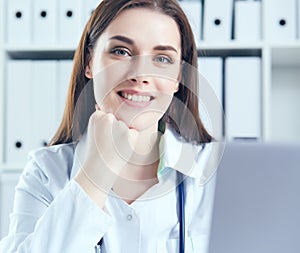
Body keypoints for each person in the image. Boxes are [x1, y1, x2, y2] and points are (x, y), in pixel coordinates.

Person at [0, 0, 223, 252]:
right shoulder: (45, 172)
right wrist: (95, 175)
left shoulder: (216, 173)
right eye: (121, 51)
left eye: (162, 58)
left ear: (178, 79)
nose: (141, 74)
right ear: (89, 62)